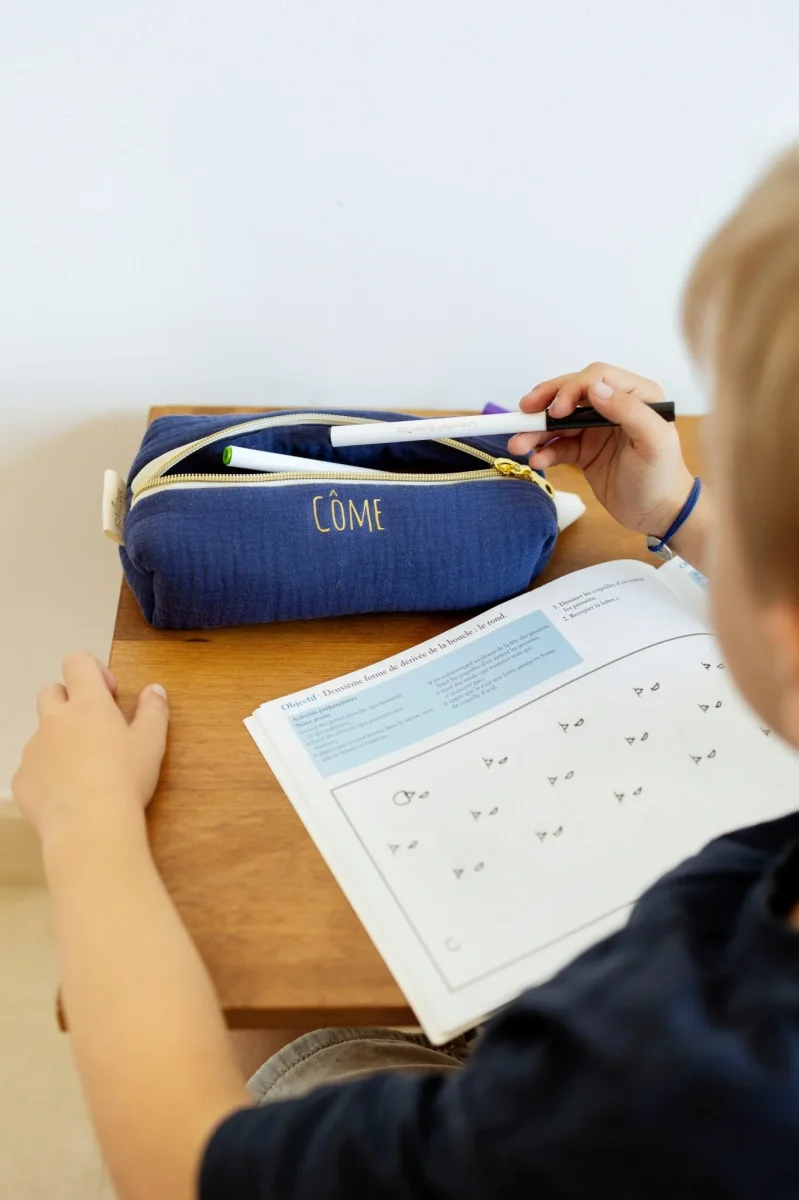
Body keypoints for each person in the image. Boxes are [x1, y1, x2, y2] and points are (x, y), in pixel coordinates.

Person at [13, 146, 799, 1200]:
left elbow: (180, 1168)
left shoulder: (655, 1086)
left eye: (734, 477)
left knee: (266, 1012)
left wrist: (84, 821)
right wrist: (686, 519)